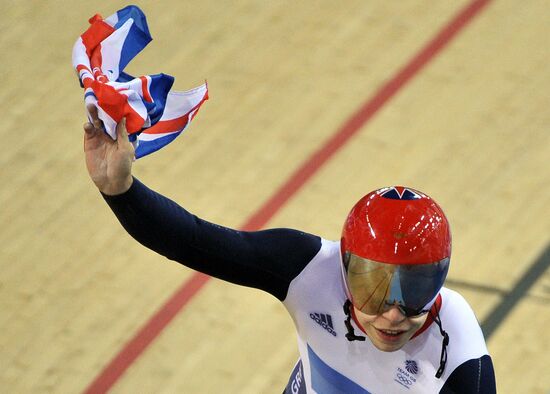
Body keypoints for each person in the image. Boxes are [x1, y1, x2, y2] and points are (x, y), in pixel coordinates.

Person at [83, 107, 497, 393]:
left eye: (415, 294)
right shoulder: (308, 267)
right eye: (374, 290)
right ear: (345, 268)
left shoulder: (461, 362)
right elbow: (193, 241)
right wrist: (120, 191)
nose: (393, 315)